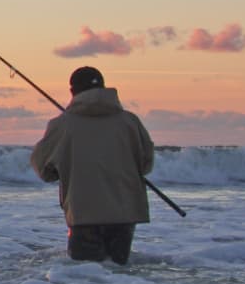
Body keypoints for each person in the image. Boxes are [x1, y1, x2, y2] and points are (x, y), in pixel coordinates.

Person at [30, 66, 154, 265]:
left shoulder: (63, 124)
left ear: (72, 92)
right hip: (124, 213)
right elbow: (146, 164)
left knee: (86, 280)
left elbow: (43, 168)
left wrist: (60, 170)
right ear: (104, 88)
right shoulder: (130, 122)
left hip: (83, 213)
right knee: (118, 276)